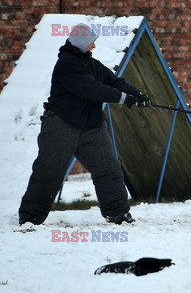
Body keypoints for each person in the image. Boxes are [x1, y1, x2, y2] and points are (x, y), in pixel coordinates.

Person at [19, 23, 152, 225]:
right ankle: (30, 218)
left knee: (109, 168)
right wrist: (124, 99)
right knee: (48, 172)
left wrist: (138, 94)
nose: (94, 47)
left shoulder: (92, 64)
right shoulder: (66, 64)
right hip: (61, 125)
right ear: (81, 43)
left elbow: (113, 81)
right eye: (91, 43)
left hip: (91, 128)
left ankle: (118, 214)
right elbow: (92, 89)